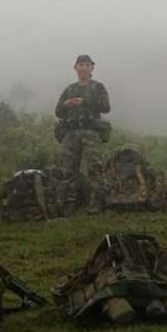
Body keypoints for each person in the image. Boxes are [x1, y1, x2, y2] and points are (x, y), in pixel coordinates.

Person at [54, 54, 111, 214]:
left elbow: (106, 107)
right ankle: (70, 203)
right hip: (71, 133)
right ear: (75, 68)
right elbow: (58, 111)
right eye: (81, 65)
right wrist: (65, 105)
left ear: (92, 68)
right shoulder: (70, 89)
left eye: (87, 65)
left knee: (95, 168)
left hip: (90, 131)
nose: (83, 68)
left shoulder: (97, 87)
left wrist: (85, 102)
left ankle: (97, 203)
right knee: (68, 169)